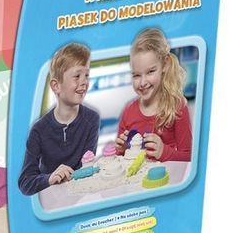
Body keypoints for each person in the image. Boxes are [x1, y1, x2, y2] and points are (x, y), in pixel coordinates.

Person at [19, 42, 100, 195]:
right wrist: (49, 178)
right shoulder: (38, 130)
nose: (84, 82)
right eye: (77, 76)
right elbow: (25, 182)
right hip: (51, 201)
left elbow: (86, 166)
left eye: (87, 75)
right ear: (56, 86)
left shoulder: (92, 119)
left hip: (80, 196)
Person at [115, 28, 193, 162]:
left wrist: (163, 151)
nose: (142, 82)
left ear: (165, 64)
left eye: (150, 71)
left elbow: (189, 157)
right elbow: (121, 159)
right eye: (136, 75)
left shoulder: (177, 107)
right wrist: (122, 150)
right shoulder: (128, 111)